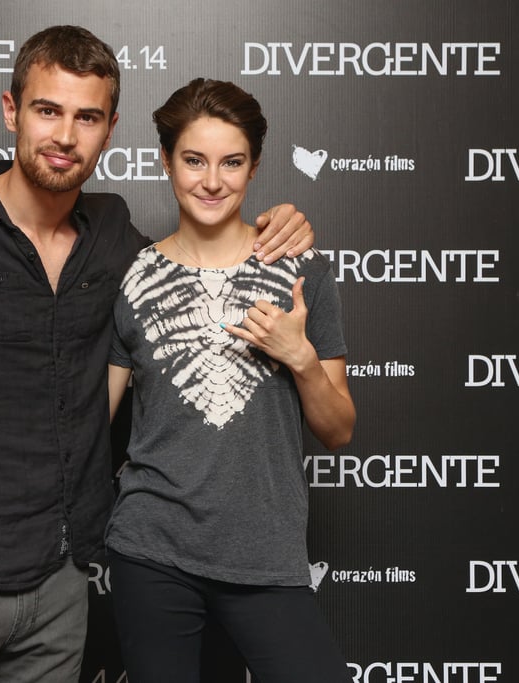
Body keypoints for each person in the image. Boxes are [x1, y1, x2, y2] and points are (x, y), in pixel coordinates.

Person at [0, 26, 314, 682]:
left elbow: (199, 252)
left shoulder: (114, 239)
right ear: (10, 110)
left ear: (109, 130)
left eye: (86, 117)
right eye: (47, 110)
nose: (64, 135)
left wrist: (279, 224)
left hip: (60, 592)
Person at [106, 78, 355, 682]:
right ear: (166, 161)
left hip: (266, 554)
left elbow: (338, 430)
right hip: (154, 550)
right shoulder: (130, 276)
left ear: (255, 166)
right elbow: (90, 420)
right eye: (194, 160)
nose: (212, 181)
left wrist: (299, 357)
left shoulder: (302, 272)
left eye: (232, 162)